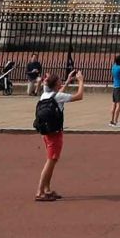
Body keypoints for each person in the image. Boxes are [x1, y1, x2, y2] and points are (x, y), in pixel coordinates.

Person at [34, 70, 84, 201]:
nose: (61, 83)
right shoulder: (58, 97)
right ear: (55, 85)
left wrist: (68, 80)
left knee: (52, 160)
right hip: (55, 133)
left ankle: (47, 189)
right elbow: (79, 96)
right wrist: (80, 81)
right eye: (59, 82)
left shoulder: (45, 94)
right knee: (50, 161)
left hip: (46, 131)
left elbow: (58, 93)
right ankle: (40, 192)